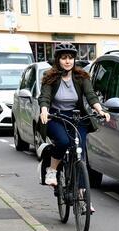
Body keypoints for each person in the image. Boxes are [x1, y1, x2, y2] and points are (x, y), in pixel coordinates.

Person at [38, 42, 110, 200]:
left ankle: (82, 195)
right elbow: (45, 97)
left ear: (74, 60)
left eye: (70, 58)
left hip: (76, 117)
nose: (67, 61)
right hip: (55, 117)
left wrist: (100, 110)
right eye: (64, 58)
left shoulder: (81, 77)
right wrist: (44, 110)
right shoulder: (50, 77)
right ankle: (52, 169)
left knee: (80, 152)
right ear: (58, 60)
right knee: (63, 142)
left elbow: (91, 96)